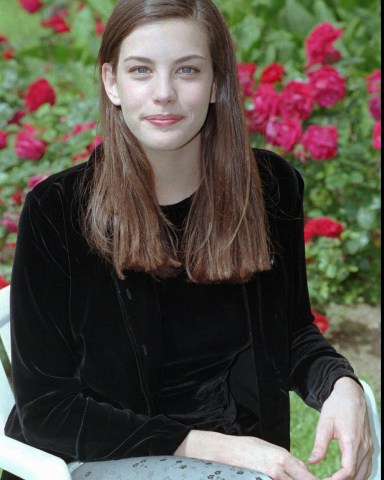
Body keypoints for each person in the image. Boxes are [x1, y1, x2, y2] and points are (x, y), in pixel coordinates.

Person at [2, 1, 373, 479]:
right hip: (94, 459)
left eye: (187, 70)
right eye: (141, 71)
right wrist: (216, 448)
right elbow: (49, 410)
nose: (164, 94)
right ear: (111, 83)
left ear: (217, 81)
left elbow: (291, 334)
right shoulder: (57, 211)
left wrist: (340, 385)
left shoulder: (268, 187)